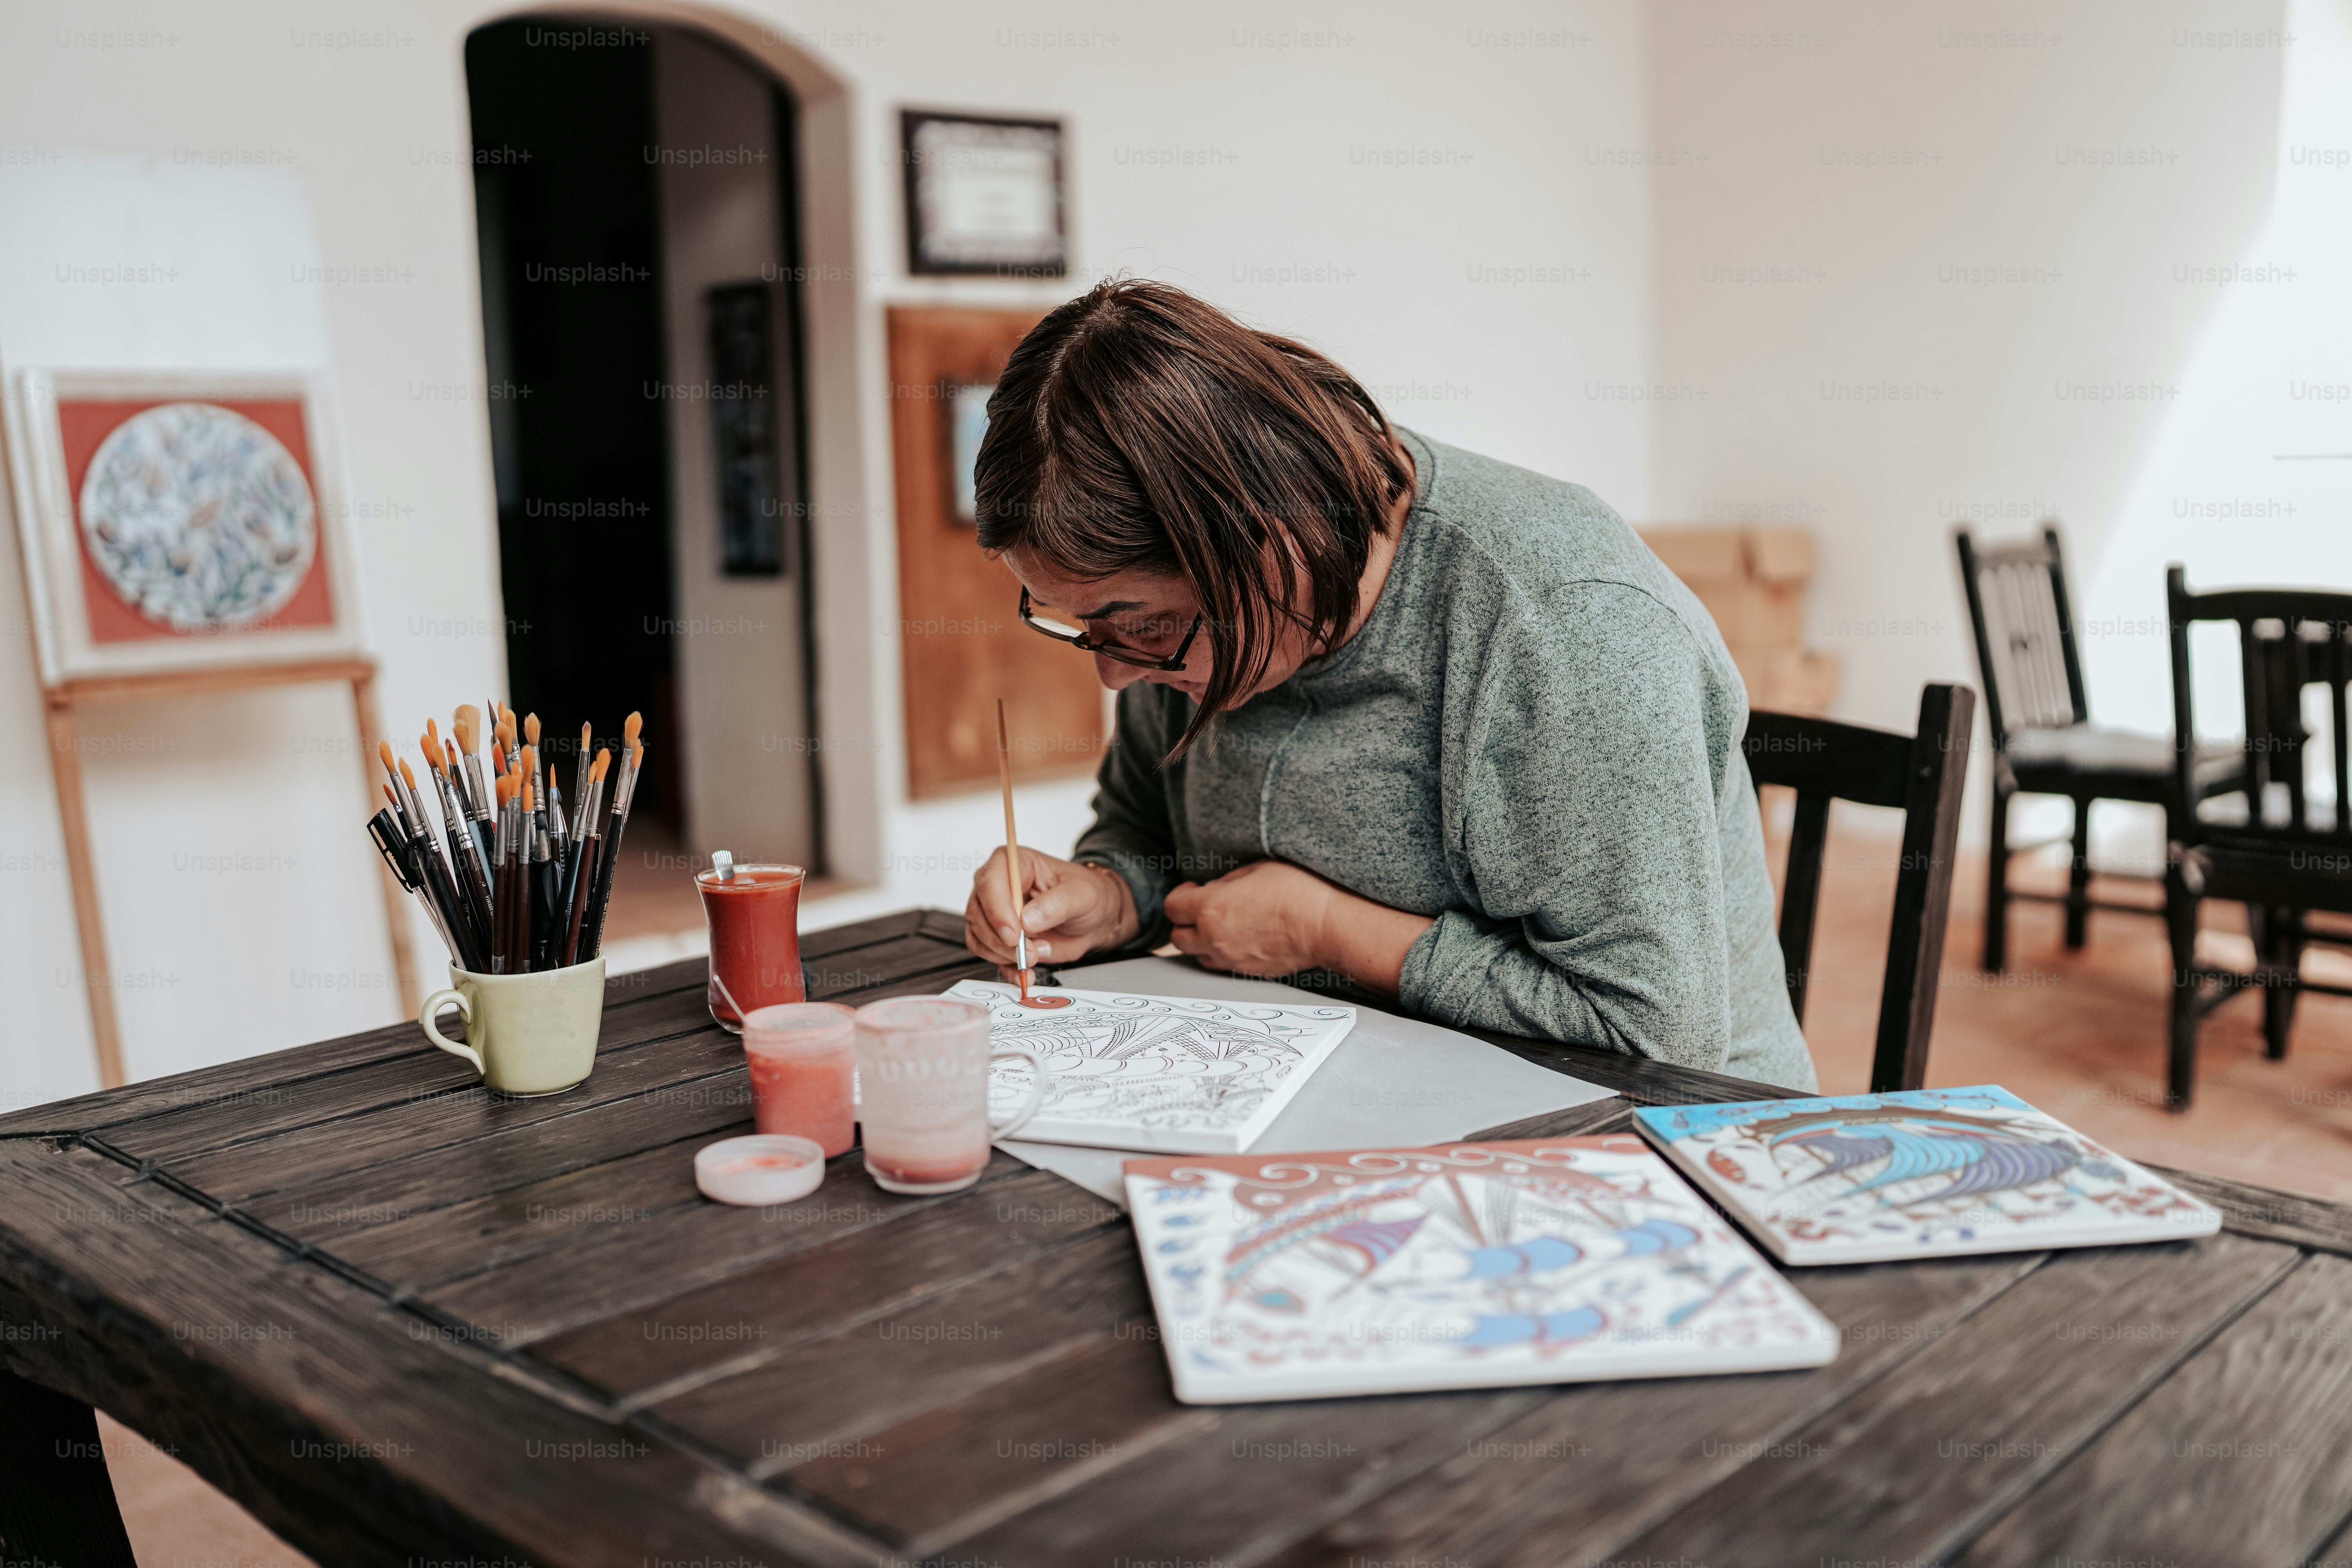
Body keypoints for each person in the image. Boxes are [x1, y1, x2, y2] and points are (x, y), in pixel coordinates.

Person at [961, 278, 1813, 1090]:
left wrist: (1331, 933)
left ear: (1272, 543)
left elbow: (1654, 1036)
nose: (1117, 674)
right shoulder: (1183, 620)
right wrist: (1113, 894)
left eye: (1140, 625)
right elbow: (1150, 832)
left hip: (1657, 1148)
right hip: (1337, 1087)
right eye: (1082, 628)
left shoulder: (1564, 622)